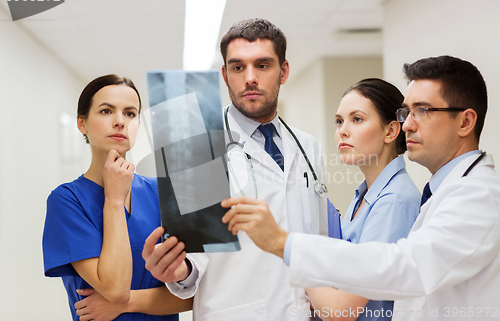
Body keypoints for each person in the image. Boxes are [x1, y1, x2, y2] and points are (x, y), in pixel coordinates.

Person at [222, 55, 500, 321]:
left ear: (465, 122)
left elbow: (404, 266)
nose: (408, 124)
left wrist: (286, 243)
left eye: (423, 111)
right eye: (407, 112)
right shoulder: (439, 192)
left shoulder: (477, 196)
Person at [142, 18, 327, 320]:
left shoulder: (309, 147)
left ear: (283, 72)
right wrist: (177, 270)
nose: (250, 78)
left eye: (263, 65)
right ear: (225, 75)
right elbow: (193, 261)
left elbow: (318, 242)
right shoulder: (195, 147)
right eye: (238, 67)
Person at [42, 75, 192, 321]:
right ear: (82, 123)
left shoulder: (163, 193)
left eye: (130, 113)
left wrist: (127, 304)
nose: (120, 121)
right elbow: (114, 288)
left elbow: (192, 294)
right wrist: (113, 200)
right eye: (106, 111)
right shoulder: (67, 201)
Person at [304, 78, 420, 320]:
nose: (342, 131)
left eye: (356, 119)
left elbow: (342, 311)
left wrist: (301, 262)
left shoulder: (394, 201)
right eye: (339, 121)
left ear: (390, 131)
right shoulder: (364, 197)